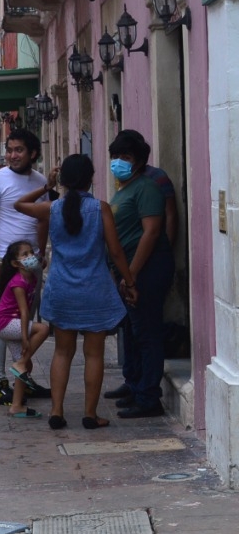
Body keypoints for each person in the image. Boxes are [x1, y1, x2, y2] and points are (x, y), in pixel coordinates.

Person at [15, 155, 137, 430]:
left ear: (64, 180)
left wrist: (47, 186)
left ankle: (56, 411)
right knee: (94, 354)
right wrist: (129, 282)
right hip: (95, 291)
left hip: (62, 290)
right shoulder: (100, 209)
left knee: (62, 352)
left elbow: (18, 205)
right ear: (90, 179)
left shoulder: (52, 208)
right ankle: (90, 414)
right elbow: (116, 252)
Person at [101, 130, 174, 419]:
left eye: (126, 157)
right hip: (128, 271)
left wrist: (131, 275)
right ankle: (135, 384)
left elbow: (152, 232)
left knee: (147, 333)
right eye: (116, 156)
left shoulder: (146, 188)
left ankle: (148, 397)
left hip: (147, 268)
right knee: (132, 331)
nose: (119, 162)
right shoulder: (124, 189)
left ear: (140, 161)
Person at [0, 128, 50, 406]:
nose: (12, 155)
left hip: (30, 264)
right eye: (9, 150)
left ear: (33, 153)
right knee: (2, 324)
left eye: (18, 150)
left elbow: (42, 220)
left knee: (24, 325)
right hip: (4, 262)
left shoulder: (41, 181)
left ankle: (22, 380)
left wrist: (41, 254)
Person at [0, 240, 50, 418]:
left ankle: (16, 405)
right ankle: (21, 361)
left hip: (12, 323)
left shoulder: (31, 278)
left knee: (24, 368)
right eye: (24, 255)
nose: (30, 256)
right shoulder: (18, 282)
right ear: (15, 263)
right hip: (6, 324)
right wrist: (25, 337)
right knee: (43, 329)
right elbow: (24, 312)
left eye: (31, 252)